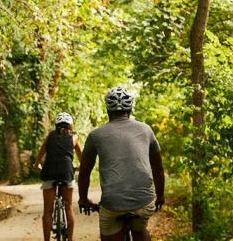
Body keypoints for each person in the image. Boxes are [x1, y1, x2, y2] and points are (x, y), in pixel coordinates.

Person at [78, 86, 165, 241]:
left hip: (112, 203)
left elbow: (84, 172)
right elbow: (158, 168)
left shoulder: (96, 135)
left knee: (110, 232)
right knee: (140, 230)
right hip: (143, 201)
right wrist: (160, 196)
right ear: (130, 109)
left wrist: (83, 199)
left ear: (108, 111)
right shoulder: (146, 130)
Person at [35, 112, 83, 241]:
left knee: (48, 211)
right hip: (67, 173)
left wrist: (37, 165)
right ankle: (70, 239)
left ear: (56, 125)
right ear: (70, 125)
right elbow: (81, 157)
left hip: (49, 172)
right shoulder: (74, 137)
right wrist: (81, 167)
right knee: (68, 207)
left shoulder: (50, 136)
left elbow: (40, 155)